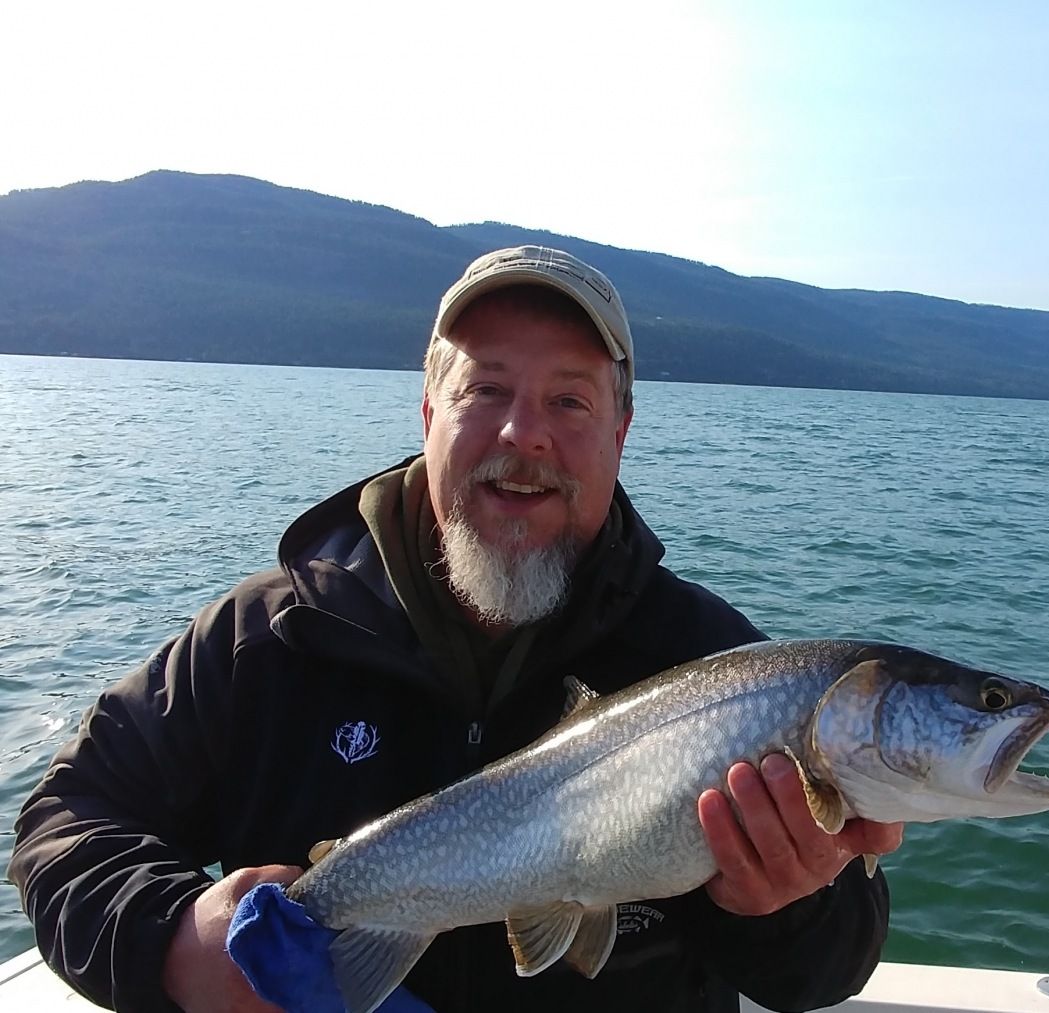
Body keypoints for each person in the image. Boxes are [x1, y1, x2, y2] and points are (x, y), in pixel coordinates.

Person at [8, 245, 902, 1013]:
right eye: (488, 389)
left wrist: (781, 903)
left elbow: (835, 960)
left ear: (621, 432)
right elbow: (67, 819)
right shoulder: (271, 638)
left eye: (570, 402)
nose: (526, 433)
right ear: (429, 411)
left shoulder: (715, 665)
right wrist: (170, 937)